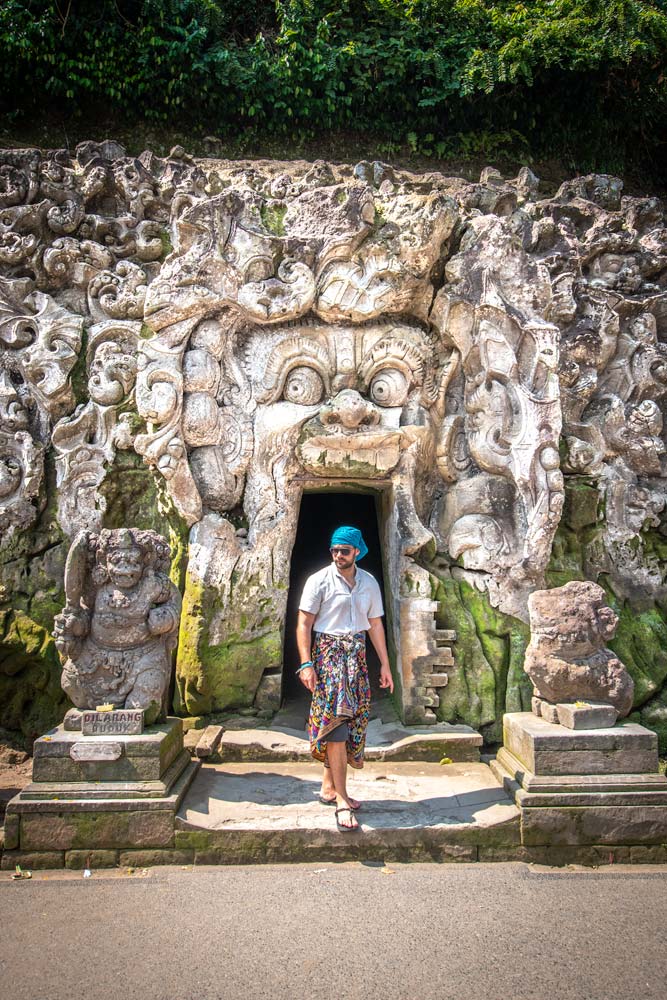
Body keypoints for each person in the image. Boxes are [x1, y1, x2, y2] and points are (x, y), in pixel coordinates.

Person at [296, 525, 394, 832]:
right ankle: (341, 798)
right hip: (328, 658)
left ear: (357, 552)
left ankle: (328, 784)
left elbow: (375, 625)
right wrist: (306, 664)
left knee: (353, 722)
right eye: (335, 551)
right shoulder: (319, 581)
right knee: (336, 722)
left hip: (357, 657)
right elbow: (304, 624)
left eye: (344, 551)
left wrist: (386, 666)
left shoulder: (368, 583)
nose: (338, 556)